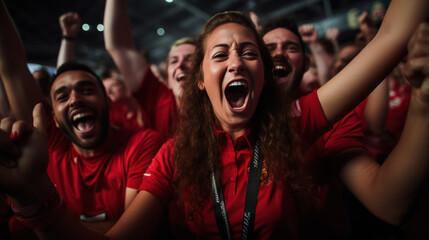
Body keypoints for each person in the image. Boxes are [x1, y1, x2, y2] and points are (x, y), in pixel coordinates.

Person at [1, 0, 429, 239]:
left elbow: (391, 37)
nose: (236, 62)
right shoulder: (172, 156)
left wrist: (423, 102)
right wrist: (35, 195)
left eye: (248, 52)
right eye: (220, 55)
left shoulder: (296, 120)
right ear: (201, 81)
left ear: (262, 73)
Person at [0, 1, 164, 236]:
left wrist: (38, 212)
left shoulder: (142, 144)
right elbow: (13, 67)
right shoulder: (49, 143)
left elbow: (128, 233)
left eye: (86, 90)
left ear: (108, 103)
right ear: (53, 118)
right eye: (62, 96)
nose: (75, 99)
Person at [103, 0, 195, 140]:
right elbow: (119, 46)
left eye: (190, 59)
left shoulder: (221, 106)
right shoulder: (158, 99)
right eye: (174, 61)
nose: (180, 65)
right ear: (168, 77)